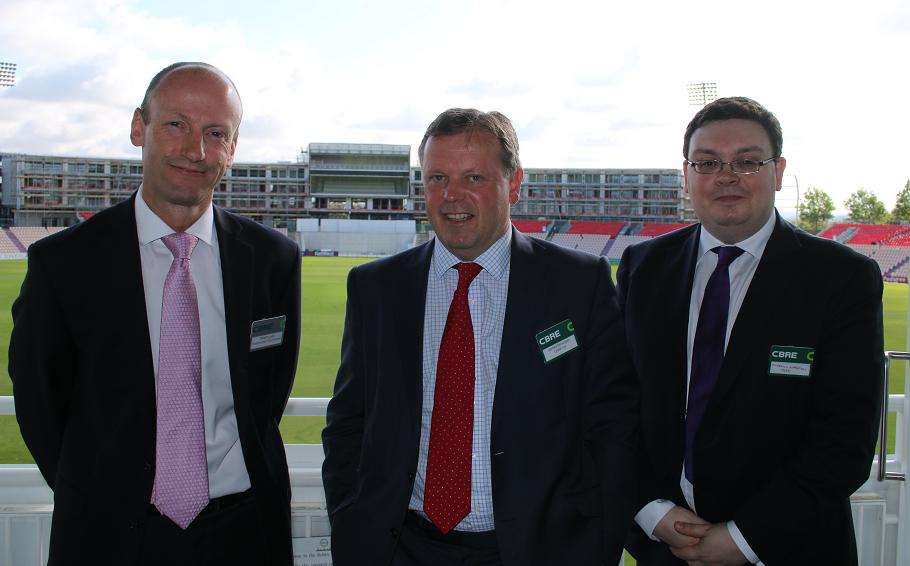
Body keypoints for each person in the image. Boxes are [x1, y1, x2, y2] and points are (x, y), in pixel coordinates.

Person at [9, 62, 301, 566]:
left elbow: (268, 393)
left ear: (232, 148)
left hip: (245, 534)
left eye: (216, 133)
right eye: (176, 125)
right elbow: (40, 402)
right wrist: (101, 494)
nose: (195, 150)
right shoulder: (64, 263)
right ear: (138, 127)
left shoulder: (272, 259)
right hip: (108, 536)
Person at [321, 108, 639, 566]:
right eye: (437, 178)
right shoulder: (377, 288)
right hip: (401, 548)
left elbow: (614, 423)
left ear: (514, 183)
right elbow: (349, 422)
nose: (452, 196)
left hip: (540, 550)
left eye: (474, 177)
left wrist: (595, 541)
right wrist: (351, 522)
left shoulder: (577, 284)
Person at [618, 96, 883, 565]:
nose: (727, 176)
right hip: (665, 545)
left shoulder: (842, 279)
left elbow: (845, 440)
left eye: (747, 161)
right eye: (708, 163)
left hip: (790, 548)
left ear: (778, 172)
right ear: (687, 176)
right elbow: (615, 404)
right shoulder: (644, 267)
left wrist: (743, 539)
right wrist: (650, 510)